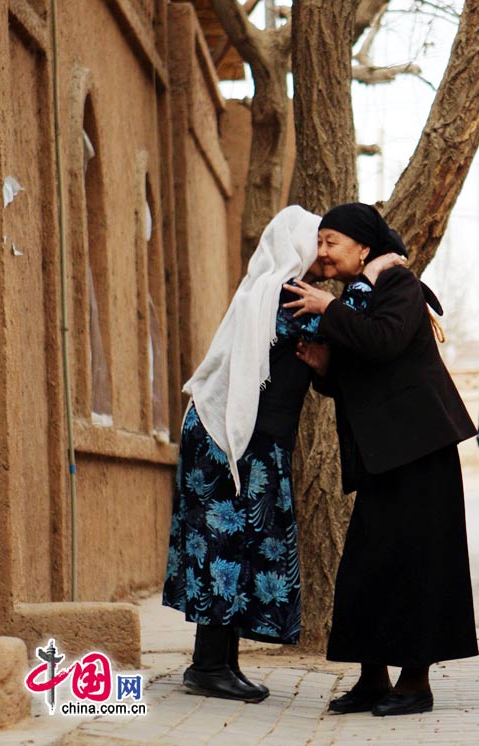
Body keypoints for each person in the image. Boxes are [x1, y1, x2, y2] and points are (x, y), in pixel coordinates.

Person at [162, 205, 402, 704]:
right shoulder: (287, 296)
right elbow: (346, 325)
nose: (322, 253)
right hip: (231, 439)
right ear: (295, 247)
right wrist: (374, 271)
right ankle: (208, 667)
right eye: (317, 242)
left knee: (235, 543)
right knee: (225, 545)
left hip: (241, 437)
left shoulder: (277, 290)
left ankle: (218, 663)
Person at [284, 202, 478, 717]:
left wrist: (329, 311)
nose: (323, 252)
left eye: (332, 242)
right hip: (383, 456)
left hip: (420, 451)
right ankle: (373, 680)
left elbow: (385, 342)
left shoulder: (398, 284)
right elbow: (363, 370)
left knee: (420, 565)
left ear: (364, 247)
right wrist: (325, 368)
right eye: (320, 242)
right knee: (366, 568)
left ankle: (415, 685)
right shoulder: (358, 295)